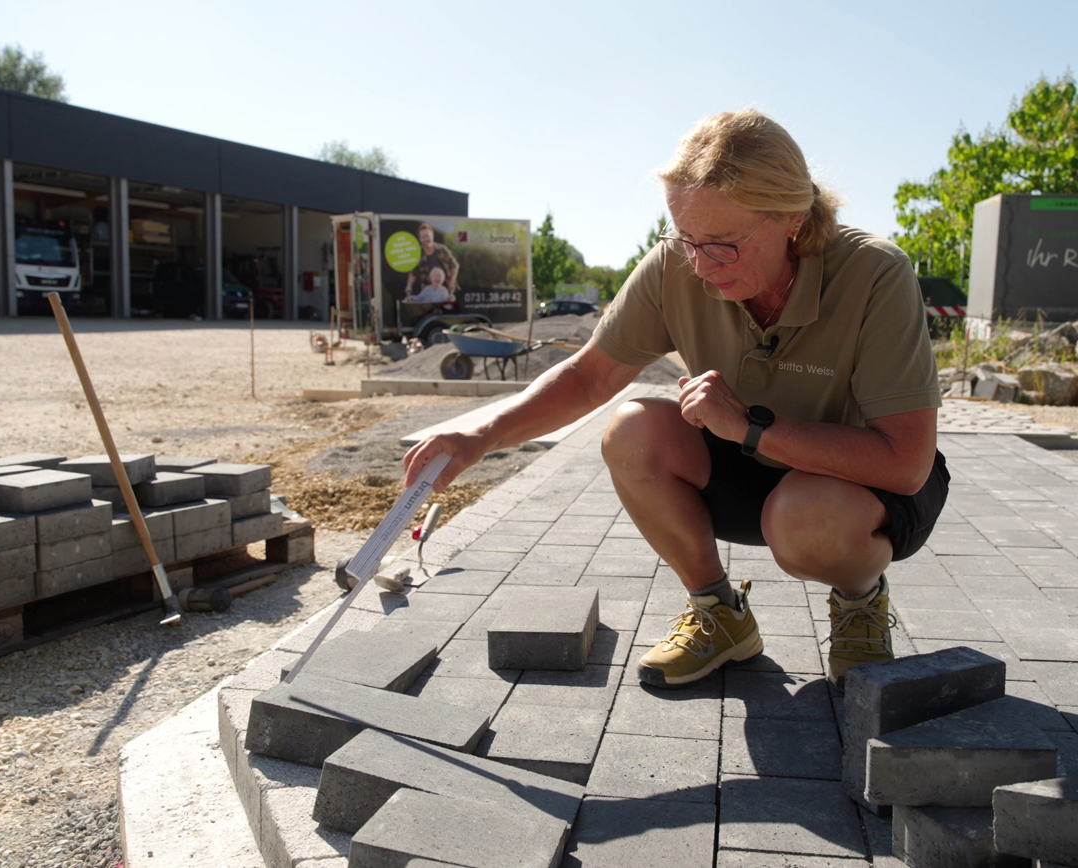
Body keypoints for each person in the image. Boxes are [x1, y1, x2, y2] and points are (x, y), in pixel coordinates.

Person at [403, 109, 948, 692]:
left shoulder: (874, 274)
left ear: (791, 217)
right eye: (685, 239)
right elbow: (591, 377)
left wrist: (748, 427)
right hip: (752, 469)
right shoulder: (678, 265)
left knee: (802, 517)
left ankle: (860, 599)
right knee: (632, 430)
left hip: (858, 491)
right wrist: (481, 435)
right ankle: (719, 614)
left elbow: (906, 464)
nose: (699, 266)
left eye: (723, 246)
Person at [404, 223, 459, 298]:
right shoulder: (417, 254)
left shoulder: (442, 249)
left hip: (445, 291)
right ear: (420, 239)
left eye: (428, 236)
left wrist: (452, 282)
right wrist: (409, 285)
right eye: (423, 237)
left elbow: (454, 266)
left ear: (432, 236)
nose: (426, 239)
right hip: (427, 292)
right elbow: (413, 272)